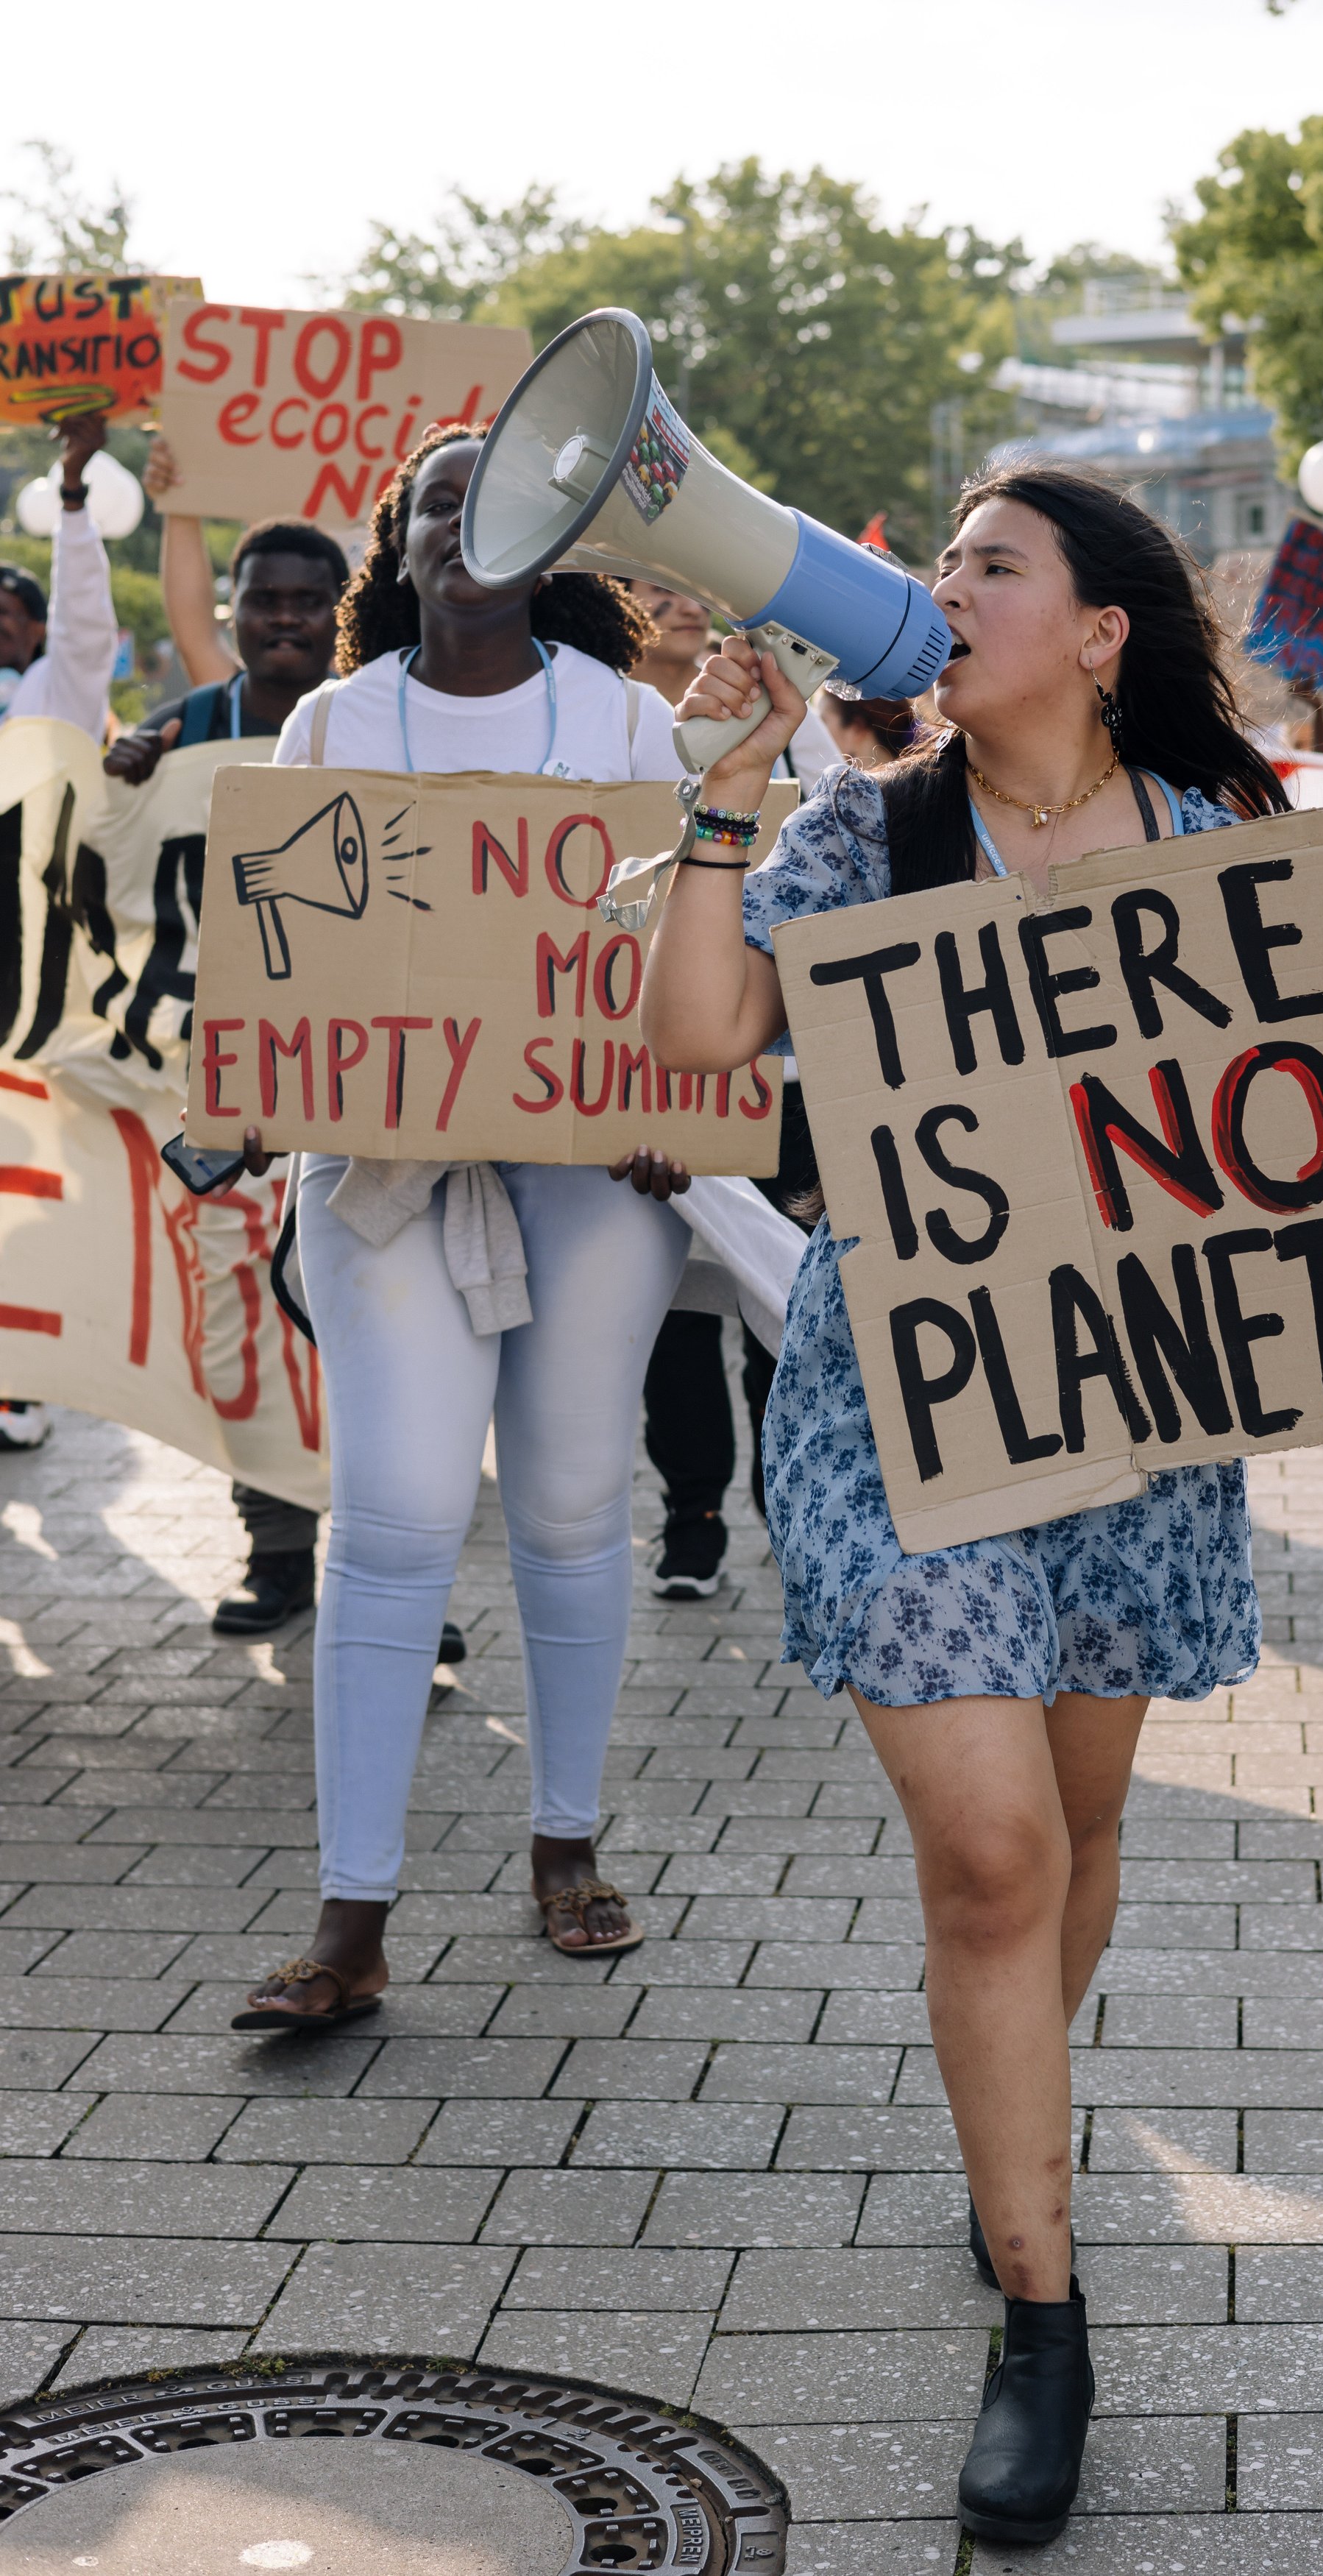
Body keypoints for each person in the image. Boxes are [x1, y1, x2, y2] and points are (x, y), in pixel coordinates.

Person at [637, 461, 1323, 2547]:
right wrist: (720, 789)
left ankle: (1000, 2137)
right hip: (901, 1404)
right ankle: (1044, 2312)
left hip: (1140, 1405)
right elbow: (698, 1034)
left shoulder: (1225, 839)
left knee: (1079, 1834)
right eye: (934, 561)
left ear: (1099, 628)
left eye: (987, 564)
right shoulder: (860, 827)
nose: (940, 589)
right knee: (995, 1858)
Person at [230, 422, 689, 2028]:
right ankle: (350, 1914)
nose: (463, 522)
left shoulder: (627, 721)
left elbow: (694, 949)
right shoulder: (333, 720)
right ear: (402, 542)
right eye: (436, 499)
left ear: (552, 537)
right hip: (383, 1171)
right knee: (397, 1517)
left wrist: (669, 1092)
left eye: (495, 499)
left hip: (593, 1176)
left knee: (568, 1502)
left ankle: (564, 1839)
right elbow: (280, 951)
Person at [102, 452, 418, 1644]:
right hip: (222, 1086)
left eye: (306, 598)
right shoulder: (183, 729)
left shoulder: (392, 719)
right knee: (239, 1325)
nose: (282, 617)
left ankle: (392, 1578)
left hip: (371, 1084)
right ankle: (278, 1553)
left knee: (375, 1336)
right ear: (229, 614)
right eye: (261, 598)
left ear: (342, 608)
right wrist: (122, 780)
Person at [628, 578, 830, 1596]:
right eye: (654, 585)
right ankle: (692, 1511)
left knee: (777, 1295)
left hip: (790, 1078)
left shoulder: (801, 729)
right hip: (662, 1084)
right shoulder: (611, 736)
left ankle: (785, 1509)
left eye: (693, 587)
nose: (683, 605)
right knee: (675, 1311)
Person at [0, 414, 120, 1455]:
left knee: (24, 1180)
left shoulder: (54, 699)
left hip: (24, 984)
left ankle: (22, 1377)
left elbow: (88, 625)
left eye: (10, 610)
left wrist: (72, 499)